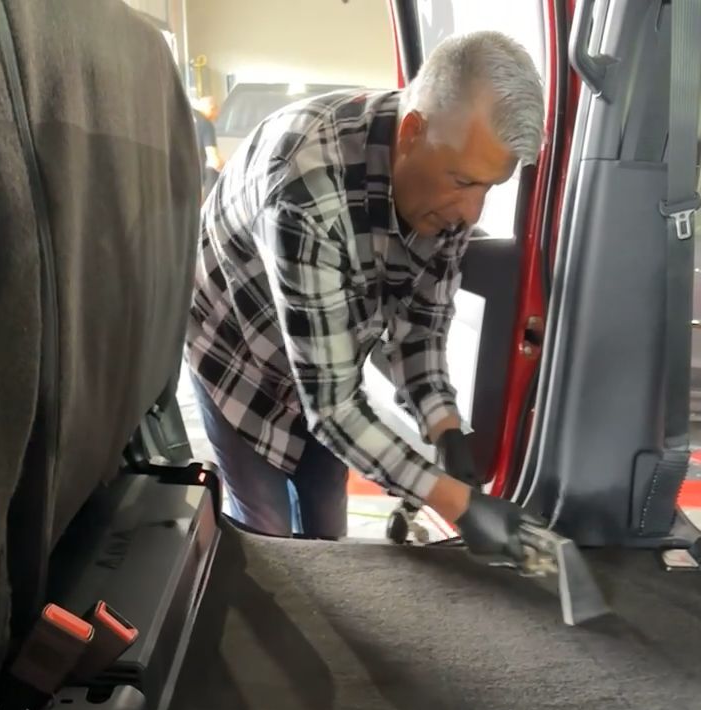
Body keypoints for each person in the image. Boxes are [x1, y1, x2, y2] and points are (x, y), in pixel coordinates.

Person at [186, 32, 545, 555]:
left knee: (328, 524)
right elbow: (332, 411)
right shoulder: (305, 188)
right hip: (238, 357)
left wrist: (444, 426)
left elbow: (420, 329)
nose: (472, 214)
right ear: (413, 132)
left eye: (488, 187)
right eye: (465, 182)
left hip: (326, 357)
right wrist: (459, 506)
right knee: (268, 534)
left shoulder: (444, 182)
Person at [192, 95, 223, 200]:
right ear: (211, 109)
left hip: (172, 172)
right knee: (213, 171)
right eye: (216, 112)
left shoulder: (183, 116)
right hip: (193, 176)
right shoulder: (205, 124)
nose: (217, 116)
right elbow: (214, 161)